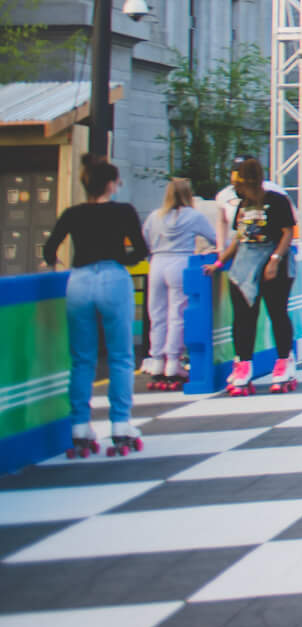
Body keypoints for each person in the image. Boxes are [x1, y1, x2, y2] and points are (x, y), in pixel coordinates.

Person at [45, 158, 148, 457]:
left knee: (81, 360)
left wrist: (57, 263)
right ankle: (119, 424)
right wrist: (121, 258)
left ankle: (79, 426)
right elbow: (141, 250)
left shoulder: (73, 213)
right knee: (120, 357)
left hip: (79, 281)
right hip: (114, 279)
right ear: (110, 184)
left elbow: (50, 248)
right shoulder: (124, 211)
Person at [206, 157, 301, 396]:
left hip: (274, 263)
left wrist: (275, 260)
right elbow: (239, 238)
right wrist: (220, 262)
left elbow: (287, 232)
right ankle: (243, 364)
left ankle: (284, 361)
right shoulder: (243, 205)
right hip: (245, 266)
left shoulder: (277, 201)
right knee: (244, 317)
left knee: (277, 312)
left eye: (239, 183)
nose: (236, 188)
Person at [141, 177, 214, 391]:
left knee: (157, 314)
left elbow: (144, 239)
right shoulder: (194, 216)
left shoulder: (155, 216)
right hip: (180, 262)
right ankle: (174, 362)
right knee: (177, 314)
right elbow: (214, 238)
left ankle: (156, 361)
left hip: (156, 263)